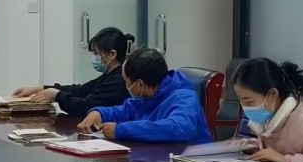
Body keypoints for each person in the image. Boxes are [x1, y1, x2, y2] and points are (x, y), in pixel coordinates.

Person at [78, 47, 212, 144]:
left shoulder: (185, 98)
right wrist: (99, 113)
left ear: (140, 84)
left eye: (126, 81)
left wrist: (120, 130)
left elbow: (178, 128)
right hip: (158, 158)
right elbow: (125, 110)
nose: (125, 85)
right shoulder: (146, 96)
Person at [12, 26, 135, 116]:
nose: (95, 58)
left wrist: (56, 95)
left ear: (112, 54)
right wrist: (41, 88)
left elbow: (85, 106)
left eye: (96, 53)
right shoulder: (109, 75)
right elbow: (80, 90)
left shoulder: (118, 80)